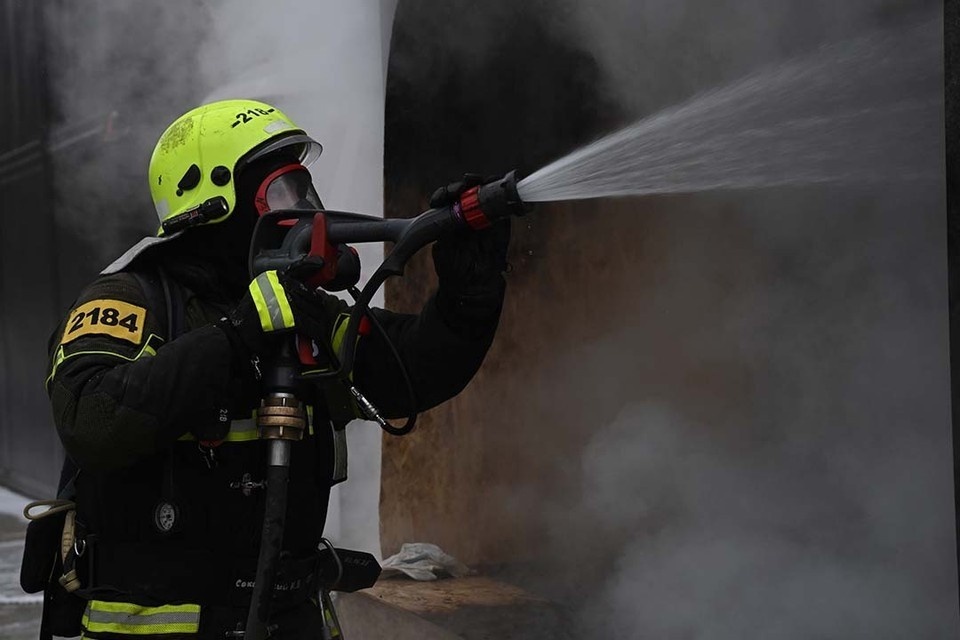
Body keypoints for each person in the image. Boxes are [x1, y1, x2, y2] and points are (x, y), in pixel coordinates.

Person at [39, 99, 510, 638]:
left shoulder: (295, 310)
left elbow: (412, 371)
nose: (306, 208)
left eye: (305, 188)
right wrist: (236, 338)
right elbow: (91, 417)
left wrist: (469, 294)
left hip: (291, 620)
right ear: (213, 199)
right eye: (283, 191)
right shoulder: (133, 300)